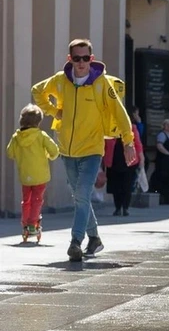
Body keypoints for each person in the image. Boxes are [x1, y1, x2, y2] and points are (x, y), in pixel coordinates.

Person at [31, 38, 136, 261]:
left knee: (82, 195)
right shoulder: (61, 80)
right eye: (77, 58)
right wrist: (53, 111)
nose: (81, 63)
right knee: (80, 197)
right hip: (67, 150)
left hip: (92, 149)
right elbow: (37, 91)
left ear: (92, 58)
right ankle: (95, 238)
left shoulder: (101, 84)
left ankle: (75, 242)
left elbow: (119, 112)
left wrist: (128, 142)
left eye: (85, 58)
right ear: (70, 59)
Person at [5, 104, 60, 237]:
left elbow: (10, 153)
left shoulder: (16, 137)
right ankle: (32, 224)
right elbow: (54, 151)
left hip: (25, 174)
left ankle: (24, 223)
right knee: (37, 200)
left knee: (26, 200)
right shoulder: (41, 136)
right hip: (40, 174)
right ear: (38, 121)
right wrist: (49, 156)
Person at [104, 127, 144, 216]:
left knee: (127, 186)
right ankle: (117, 207)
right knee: (115, 186)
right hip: (113, 161)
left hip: (129, 161)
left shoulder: (132, 127)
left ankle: (125, 207)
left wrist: (141, 158)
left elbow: (137, 144)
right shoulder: (110, 127)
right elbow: (104, 145)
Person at [152, 119, 169, 204]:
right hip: (163, 162)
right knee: (162, 179)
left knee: (168, 179)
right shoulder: (162, 135)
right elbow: (159, 145)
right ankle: (162, 198)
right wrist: (167, 153)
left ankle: (167, 198)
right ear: (165, 126)